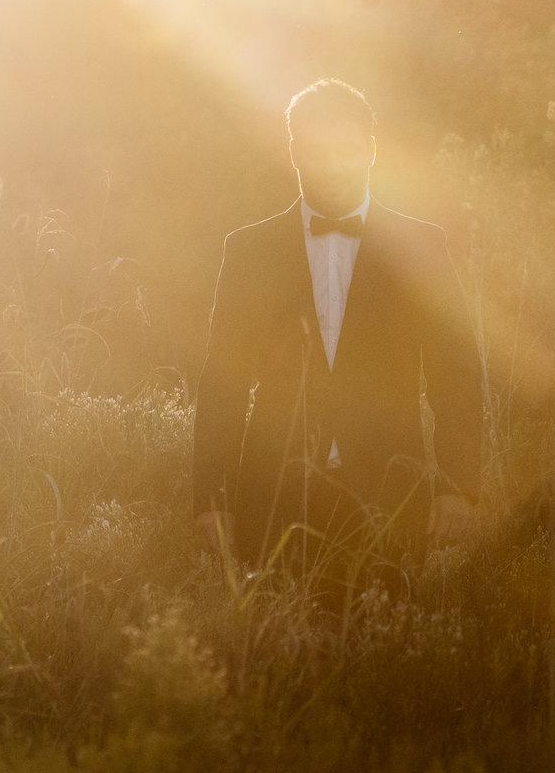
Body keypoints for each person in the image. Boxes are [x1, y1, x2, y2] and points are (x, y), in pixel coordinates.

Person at [193, 78, 483, 571]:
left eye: (347, 150)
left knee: (387, 644)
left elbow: (455, 377)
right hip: (272, 497)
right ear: (294, 153)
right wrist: (211, 499)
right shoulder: (248, 251)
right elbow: (224, 383)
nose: (333, 164)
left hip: (392, 496)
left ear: (371, 150)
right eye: (317, 150)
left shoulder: (421, 247)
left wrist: (459, 489)